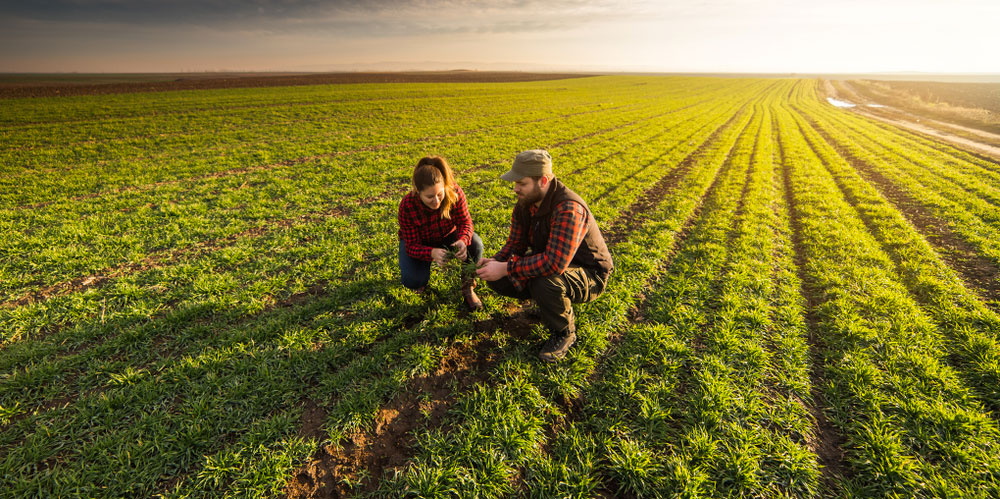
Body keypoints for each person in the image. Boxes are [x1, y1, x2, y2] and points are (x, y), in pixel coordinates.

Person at [476, 149, 613, 362]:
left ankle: (564, 333)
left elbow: (554, 263)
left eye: (522, 183)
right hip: (554, 266)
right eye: (515, 183)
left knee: (544, 281)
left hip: (589, 274)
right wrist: (495, 262)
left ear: (544, 180)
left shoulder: (569, 208)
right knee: (499, 279)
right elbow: (515, 245)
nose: (515, 189)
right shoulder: (524, 206)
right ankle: (547, 304)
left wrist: (506, 268)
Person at [398, 156, 483, 310]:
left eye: (439, 194)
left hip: (447, 235)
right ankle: (420, 280)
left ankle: (468, 286)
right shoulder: (407, 205)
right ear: (418, 191)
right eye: (430, 197)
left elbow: (466, 222)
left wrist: (463, 240)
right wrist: (431, 253)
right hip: (421, 242)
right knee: (413, 280)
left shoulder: (454, 192)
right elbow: (411, 246)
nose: (436, 201)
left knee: (475, 244)